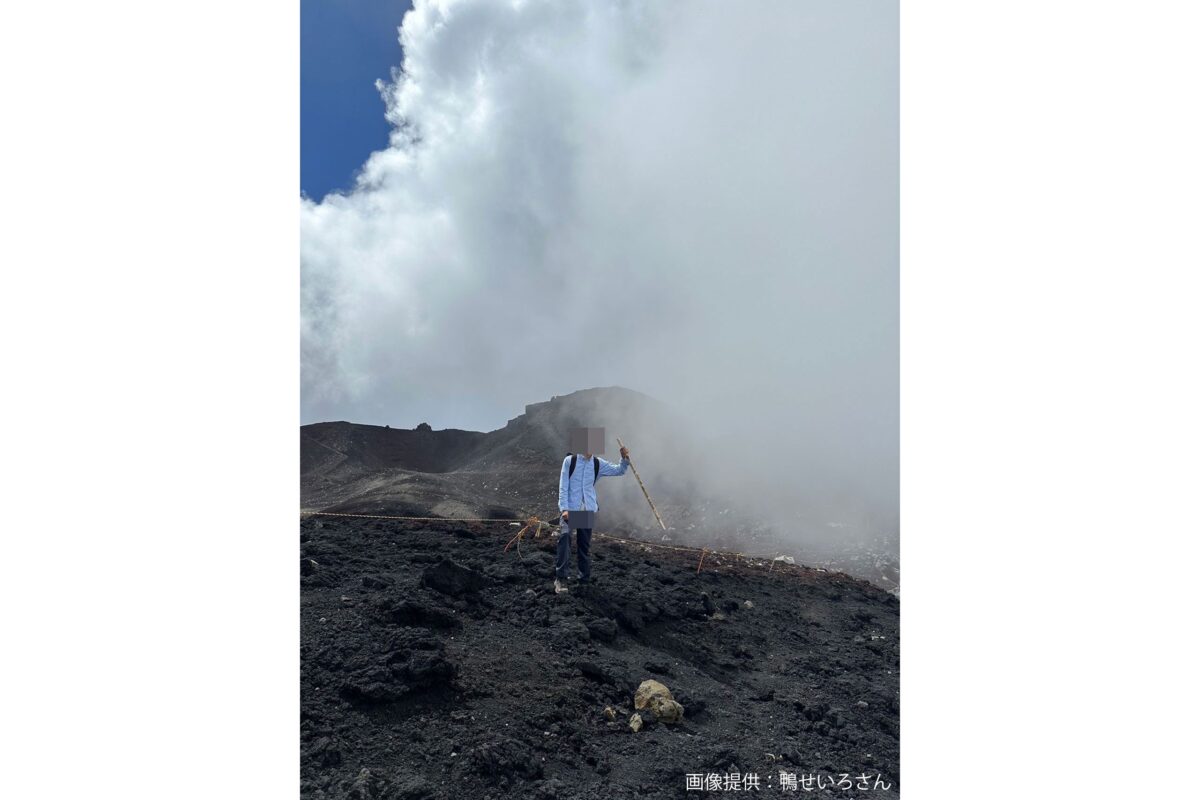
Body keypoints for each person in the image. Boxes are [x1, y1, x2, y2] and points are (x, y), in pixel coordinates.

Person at [555, 443, 630, 593]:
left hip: (586, 509)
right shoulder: (570, 461)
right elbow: (563, 485)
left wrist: (624, 459)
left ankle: (584, 580)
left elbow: (619, 470)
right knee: (565, 538)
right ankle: (561, 579)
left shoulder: (597, 463)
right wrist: (564, 509)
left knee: (584, 546)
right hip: (570, 510)